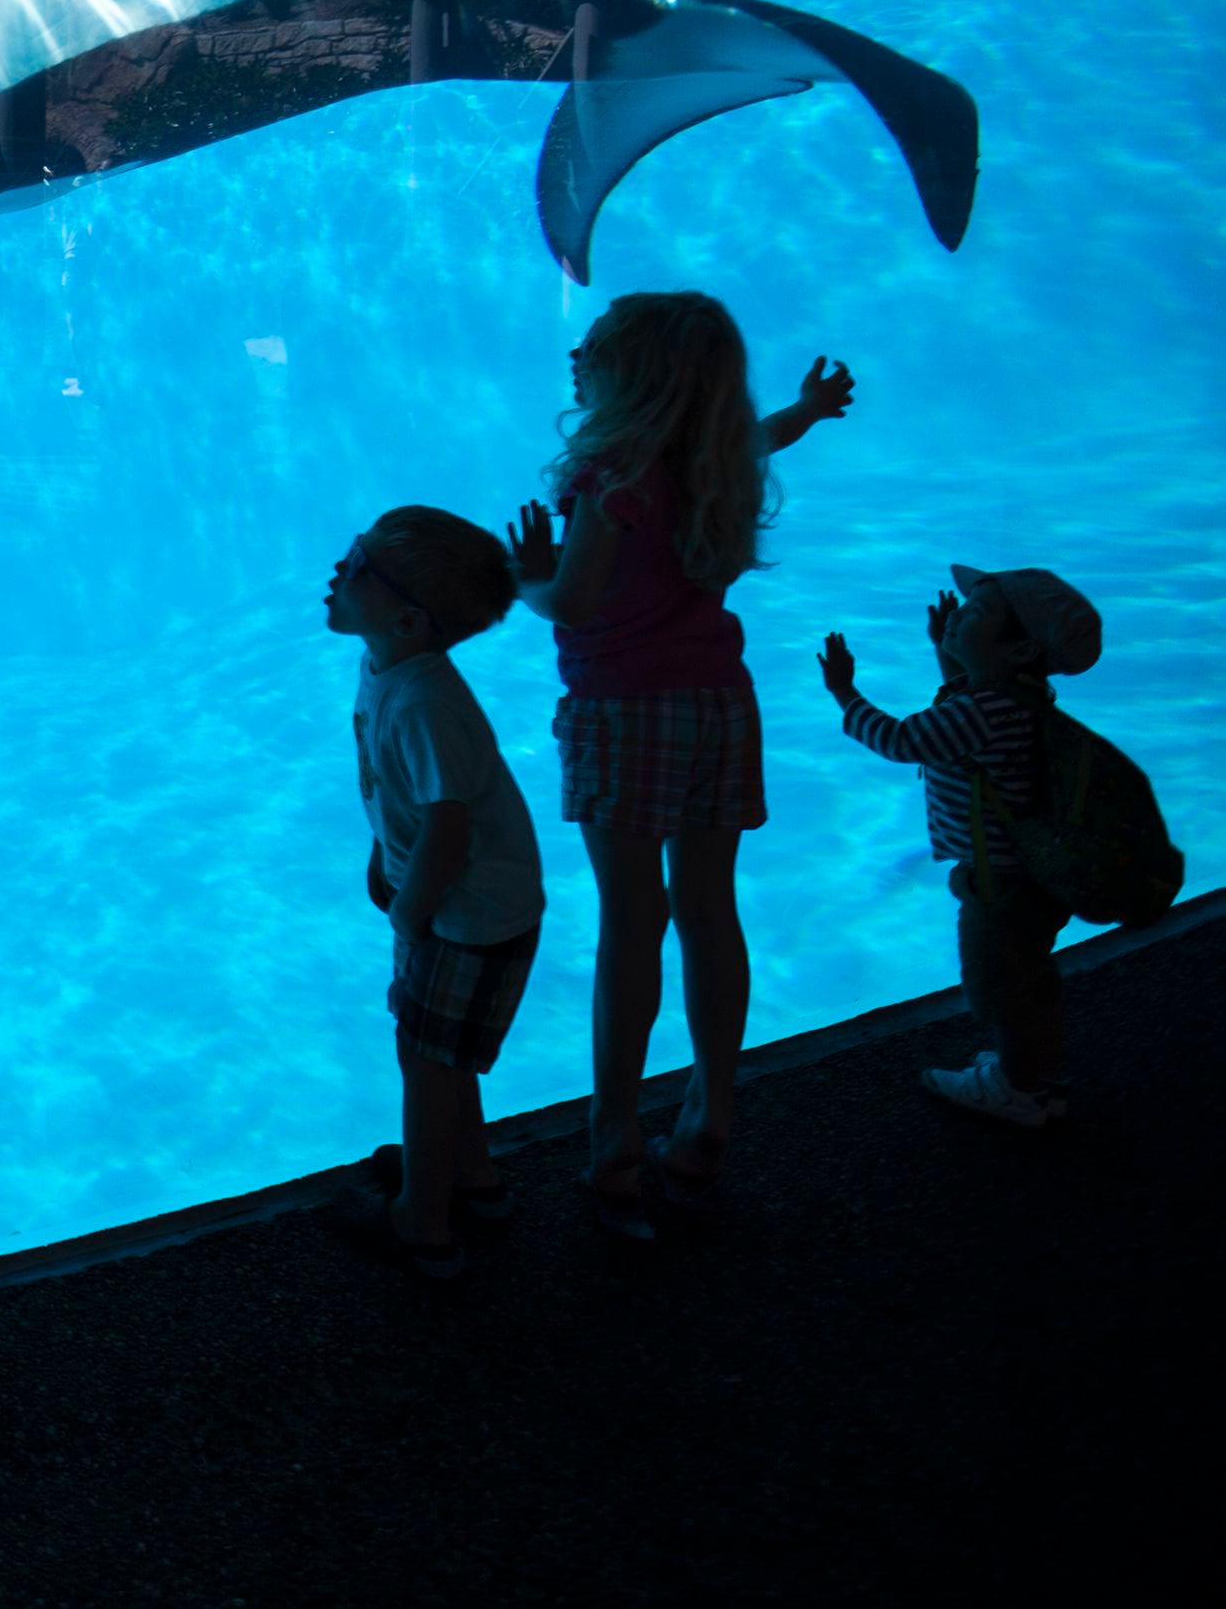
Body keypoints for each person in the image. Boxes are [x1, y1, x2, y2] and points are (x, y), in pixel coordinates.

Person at [507, 293, 854, 1238]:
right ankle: (709, 1118)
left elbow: (572, 603)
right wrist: (810, 409)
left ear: (634, 375)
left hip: (623, 716)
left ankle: (613, 1149)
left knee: (632, 924)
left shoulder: (610, 473)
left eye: (598, 347)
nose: (577, 355)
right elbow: (762, 434)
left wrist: (528, 573)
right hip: (716, 707)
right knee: (708, 913)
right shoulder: (710, 456)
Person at [326, 505, 545, 1279]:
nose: (337, 567)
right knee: (440, 1053)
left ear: (407, 617)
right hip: (450, 901)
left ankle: (422, 1225)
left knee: (423, 1057)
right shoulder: (385, 664)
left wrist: (413, 907)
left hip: (466, 916)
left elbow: (449, 828)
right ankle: (472, 1175)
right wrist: (386, 859)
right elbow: (406, 800)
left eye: (357, 564)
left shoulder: (423, 701)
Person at [818, 567, 1105, 1127]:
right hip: (1031, 878)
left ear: (1020, 647)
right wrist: (947, 649)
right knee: (1029, 977)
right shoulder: (1018, 696)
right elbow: (962, 699)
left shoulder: (982, 712)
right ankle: (1038, 1073)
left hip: (998, 885)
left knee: (995, 982)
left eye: (976, 614)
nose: (959, 617)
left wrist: (845, 693)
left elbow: (902, 740)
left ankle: (1018, 1090)